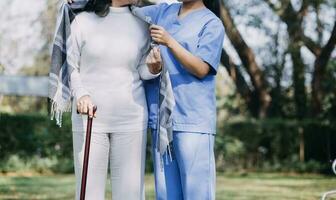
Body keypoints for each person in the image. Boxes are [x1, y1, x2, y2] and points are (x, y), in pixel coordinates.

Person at [63, 0, 162, 199]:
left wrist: (154, 68)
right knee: (88, 193)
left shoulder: (142, 24)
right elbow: (71, 66)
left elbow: (142, 69)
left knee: (130, 194)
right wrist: (81, 94)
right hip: (90, 118)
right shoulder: (82, 22)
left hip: (131, 118)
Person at [136, 0, 225, 199]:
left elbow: (202, 69)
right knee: (167, 195)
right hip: (161, 121)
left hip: (192, 121)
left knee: (197, 194)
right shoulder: (162, 12)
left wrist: (170, 41)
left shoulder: (211, 23)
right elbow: (125, 8)